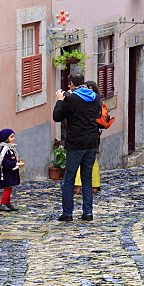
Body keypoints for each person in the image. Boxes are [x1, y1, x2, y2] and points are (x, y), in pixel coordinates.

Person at [52, 73, 101, 221]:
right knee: (87, 178)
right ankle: (88, 212)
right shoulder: (95, 97)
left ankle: (67, 213)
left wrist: (60, 100)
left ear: (72, 83)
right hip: (92, 142)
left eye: (69, 84)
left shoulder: (71, 98)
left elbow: (57, 116)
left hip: (76, 143)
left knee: (69, 179)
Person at [74, 80, 104, 195]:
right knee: (91, 160)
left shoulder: (80, 101)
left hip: (85, 135)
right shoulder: (98, 101)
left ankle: (80, 186)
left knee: (80, 159)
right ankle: (93, 186)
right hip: (93, 134)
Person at [0, 128, 23, 212]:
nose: (13, 138)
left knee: (9, 188)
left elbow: (11, 158)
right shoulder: (5, 150)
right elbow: (3, 161)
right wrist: (14, 164)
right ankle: (3, 204)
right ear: (6, 139)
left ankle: (8, 203)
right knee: (7, 188)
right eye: (11, 137)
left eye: (13, 137)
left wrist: (17, 161)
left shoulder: (10, 148)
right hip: (6, 173)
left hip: (11, 172)